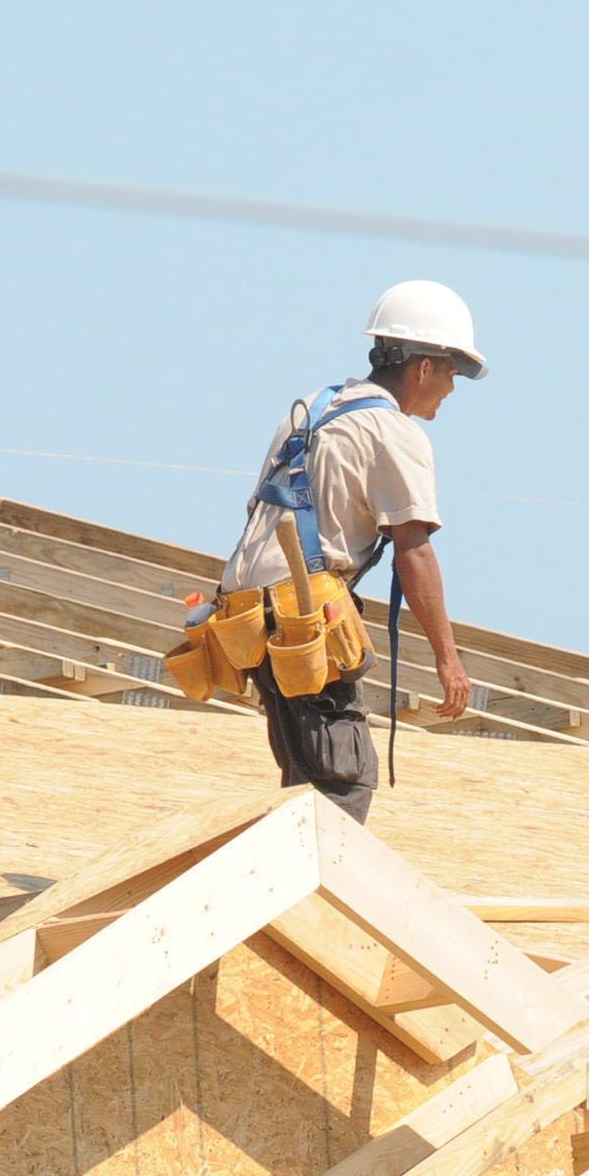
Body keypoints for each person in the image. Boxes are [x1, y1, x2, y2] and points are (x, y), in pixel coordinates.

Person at [205, 281, 484, 823]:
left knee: (305, 778)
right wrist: (448, 659)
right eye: (452, 371)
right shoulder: (392, 432)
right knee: (342, 780)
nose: (451, 388)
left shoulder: (310, 408)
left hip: (245, 612)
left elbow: (257, 511)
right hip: (299, 611)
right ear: (422, 367)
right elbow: (414, 552)